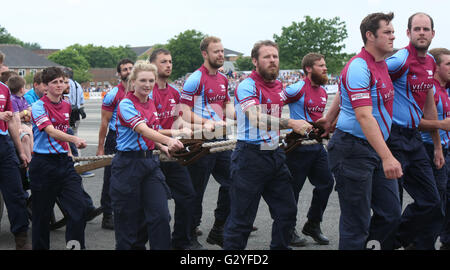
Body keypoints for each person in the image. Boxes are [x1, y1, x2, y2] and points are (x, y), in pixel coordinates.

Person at [319, 12, 403, 250]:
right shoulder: (359, 66)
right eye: (387, 32)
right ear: (370, 35)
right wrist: (388, 157)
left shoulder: (381, 64)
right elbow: (364, 115)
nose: (392, 36)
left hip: (373, 147)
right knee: (356, 223)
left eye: (393, 32)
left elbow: (344, 93)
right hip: (353, 150)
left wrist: (330, 118)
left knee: (391, 214)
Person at [223, 40, 313, 250]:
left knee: (287, 212)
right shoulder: (247, 85)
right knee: (242, 221)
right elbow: (256, 118)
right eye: (267, 57)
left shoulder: (279, 86)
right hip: (250, 157)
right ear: (255, 61)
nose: (272, 60)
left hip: (274, 154)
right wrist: (291, 123)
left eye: (275, 56)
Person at [110, 60, 184, 250]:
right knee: (128, 221)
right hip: (128, 165)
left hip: (149, 163)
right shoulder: (126, 104)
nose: (148, 85)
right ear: (133, 82)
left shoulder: (151, 102)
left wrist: (162, 146)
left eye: (151, 81)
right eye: (143, 80)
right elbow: (143, 129)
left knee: (161, 216)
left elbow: (153, 131)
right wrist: (168, 141)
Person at [386, 12, 444, 250]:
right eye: (417, 29)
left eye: (425, 29)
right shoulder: (400, 60)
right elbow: (365, 76)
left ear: (432, 33)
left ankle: (396, 240)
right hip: (393, 137)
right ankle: (383, 241)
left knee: (432, 201)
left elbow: (429, 104)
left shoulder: (430, 61)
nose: (422, 33)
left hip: (415, 140)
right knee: (390, 206)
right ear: (408, 33)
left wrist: (438, 146)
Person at [179, 36, 235, 249]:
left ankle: (218, 229)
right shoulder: (195, 78)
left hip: (220, 139)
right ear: (205, 54)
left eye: (222, 51)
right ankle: (189, 234)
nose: (220, 55)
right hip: (200, 141)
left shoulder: (223, 78)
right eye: (216, 52)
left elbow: (227, 105)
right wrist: (207, 122)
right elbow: (183, 112)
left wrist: (238, 115)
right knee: (196, 191)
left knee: (233, 184)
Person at [29, 66, 88, 250]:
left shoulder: (67, 105)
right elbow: (51, 131)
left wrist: (69, 153)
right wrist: (74, 140)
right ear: (45, 86)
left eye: (62, 81)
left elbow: (63, 130)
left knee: (79, 209)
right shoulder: (38, 106)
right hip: (43, 165)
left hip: (64, 163)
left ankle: (75, 248)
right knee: (41, 217)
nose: (59, 85)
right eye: (54, 82)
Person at [282, 53, 334, 246]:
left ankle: (313, 224)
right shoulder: (296, 89)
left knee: (327, 183)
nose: (325, 68)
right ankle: (287, 230)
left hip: (316, 147)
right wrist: (284, 127)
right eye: (321, 65)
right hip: (297, 148)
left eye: (325, 65)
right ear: (309, 69)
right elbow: (273, 105)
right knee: (292, 190)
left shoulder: (322, 91)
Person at [149, 48, 197, 250]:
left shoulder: (174, 92)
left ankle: (181, 242)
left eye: (170, 61)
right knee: (157, 209)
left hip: (173, 153)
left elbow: (178, 118)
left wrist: (191, 129)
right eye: (163, 62)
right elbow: (147, 128)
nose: (168, 65)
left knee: (188, 197)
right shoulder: (147, 92)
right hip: (152, 155)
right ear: (152, 65)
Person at [416, 48, 450, 250]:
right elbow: (416, 122)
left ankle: (446, 240)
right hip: (428, 150)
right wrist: (439, 126)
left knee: (446, 200)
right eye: (448, 64)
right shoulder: (430, 90)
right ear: (436, 68)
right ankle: (418, 242)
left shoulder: (446, 89)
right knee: (434, 202)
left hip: (445, 149)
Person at [96, 58, 134, 230]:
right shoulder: (113, 94)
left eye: (130, 68)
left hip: (135, 138)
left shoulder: (142, 91)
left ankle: (129, 212)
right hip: (115, 138)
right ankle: (107, 214)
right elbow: (104, 123)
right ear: (119, 74)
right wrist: (100, 147)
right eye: (124, 69)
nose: (128, 71)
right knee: (111, 177)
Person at [64, 67, 93, 178]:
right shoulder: (77, 85)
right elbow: (81, 100)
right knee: (75, 136)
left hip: (69, 112)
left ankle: (74, 165)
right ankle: (79, 165)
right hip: (77, 113)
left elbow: (66, 100)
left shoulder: (66, 84)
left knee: (69, 138)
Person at [7, 75, 33, 162]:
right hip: (20, 124)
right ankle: (30, 158)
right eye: (25, 87)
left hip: (26, 122)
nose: (25, 89)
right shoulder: (13, 99)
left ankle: (34, 153)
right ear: (21, 89)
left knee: (34, 130)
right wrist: (19, 128)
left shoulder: (23, 98)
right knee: (28, 133)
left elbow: (29, 110)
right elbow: (16, 117)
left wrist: (27, 113)